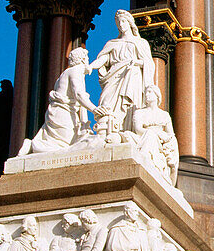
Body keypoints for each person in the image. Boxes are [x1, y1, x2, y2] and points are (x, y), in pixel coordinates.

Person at [18, 48, 99, 155]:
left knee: (64, 144)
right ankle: (33, 145)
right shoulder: (76, 71)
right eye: (87, 57)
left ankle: (34, 145)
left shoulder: (66, 73)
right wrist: (95, 109)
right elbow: (79, 94)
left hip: (59, 111)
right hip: (63, 112)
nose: (88, 60)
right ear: (83, 59)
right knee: (63, 147)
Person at [90, 11, 154, 139]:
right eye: (118, 22)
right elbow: (103, 59)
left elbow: (148, 63)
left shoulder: (140, 43)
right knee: (106, 102)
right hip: (113, 78)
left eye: (123, 21)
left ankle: (127, 130)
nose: (121, 25)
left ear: (130, 23)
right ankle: (107, 130)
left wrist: (136, 62)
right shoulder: (112, 43)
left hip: (132, 76)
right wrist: (90, 66)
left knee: (130, 105)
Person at [128, 85, 179, 184]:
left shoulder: (164, 115)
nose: (147, 95)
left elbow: (170, 135)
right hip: (143, 137)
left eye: (150, 92)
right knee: (150, 136)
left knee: (158, 138)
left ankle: (148, 163)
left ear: (157, 96)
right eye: (146, 92)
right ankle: (144, 161)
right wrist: (154, 132)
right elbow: (138, 129)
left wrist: (164, 139)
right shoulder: (139, 112)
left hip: (160, 142)